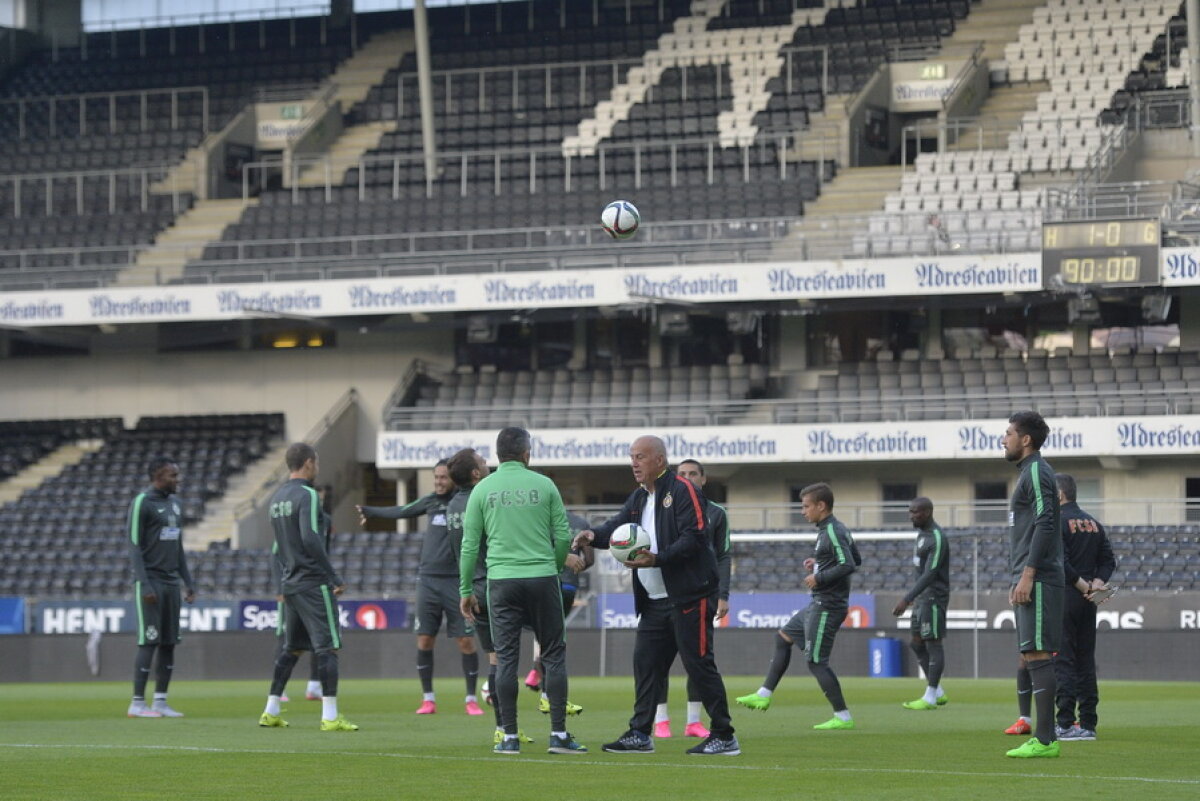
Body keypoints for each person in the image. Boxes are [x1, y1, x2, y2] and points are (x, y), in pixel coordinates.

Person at [580, 435, 739, 757]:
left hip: (689, 597)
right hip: (654, 600)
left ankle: (724, 735)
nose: (633, 463)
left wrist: (658, 558)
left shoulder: (683, 490)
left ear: (659, 460)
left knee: (698, 665)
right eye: (631, 456)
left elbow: (695, 536)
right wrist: (593, 536)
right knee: (647, 665)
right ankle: (640, 733)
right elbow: (617, 526)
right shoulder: (640, 497)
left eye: (640, 456)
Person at [458, 427, 585, 755]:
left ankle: (510, 737)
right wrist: (555, 569)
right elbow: (562, 536)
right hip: (542, 578)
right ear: (527, 453)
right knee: (554, 654)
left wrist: (465, 589)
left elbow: (470, 546)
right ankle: (558, 735)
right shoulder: (544, 485)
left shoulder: (483, 490)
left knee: (506, 660)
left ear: (498, 455)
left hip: (501, 583)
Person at [358, 461, 481, 716]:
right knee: (425, 638)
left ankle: (471, 698)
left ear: (454, 479)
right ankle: (428, 699)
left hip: (455, 581)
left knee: (466, 641)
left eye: (443, 477)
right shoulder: (430, 503)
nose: (438, 481)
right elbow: (402, 510)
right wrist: (372, 511)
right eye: (435, 477)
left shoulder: (465, 502)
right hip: (427, 580)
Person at [736, 482, 861, 731]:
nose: (802, 511)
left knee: (816, 662)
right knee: (783, 637)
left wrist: (819, 577)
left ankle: (843, 716)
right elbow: (854, 557)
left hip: (827, 605)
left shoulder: (833, 531)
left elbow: (849, 564)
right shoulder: (832, 530)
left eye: (805, 506)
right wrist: (819, 563)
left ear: (821, 506)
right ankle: (764, 693)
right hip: (818, 603)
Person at [259, 443, 357, 732]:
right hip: (312, 582)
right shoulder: (308, 495)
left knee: (291, 649)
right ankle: (329, 716)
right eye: (316, 462)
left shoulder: (277, 499)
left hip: (290, 583)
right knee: (327, 648)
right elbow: (311, 538)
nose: (318, 467)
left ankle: (271, 709)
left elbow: (279, 546)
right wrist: (334, 577)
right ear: (308, 463)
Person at [653, 458, 732, 740]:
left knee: (697, 658)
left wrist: (722, 595)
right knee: (658, 659)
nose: (686, 478)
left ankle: (693, 721)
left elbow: (723, 556)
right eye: (681, 473)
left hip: (701, 594)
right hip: (665, 593)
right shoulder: (665, 509)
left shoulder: (717, 514)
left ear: (703, 479)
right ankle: (660, 720)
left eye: (692, 474)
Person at [1000, 410, 1064, 758]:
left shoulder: (1038, 470)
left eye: (1009, 433)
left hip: (1037, 577)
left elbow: (1046, 522)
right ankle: (1043, 737)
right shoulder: (1028, 473)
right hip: (1029, 575)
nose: (1004, 439)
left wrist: (1029, 573)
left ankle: (1045, 739)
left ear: (1025, 439)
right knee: (1029, 654)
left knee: (1038, 654)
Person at [126, 456, 195, 718]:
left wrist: (188, 582)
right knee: (149, 641)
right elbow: (134, 546)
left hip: (170, 583)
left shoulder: (176, 505)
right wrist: (144, 584)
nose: (178, 480)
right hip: (151, 582)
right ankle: (136, 703)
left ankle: (161, 701)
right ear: (157, 476)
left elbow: (177, 548)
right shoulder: (142, 503)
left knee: (169, 643)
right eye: (172, 476)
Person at [1054, 473, 1116, 742]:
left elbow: (1060, 561)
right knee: (1085, 660)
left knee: (1064, 659)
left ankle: (1065, 723)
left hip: (1068, 595)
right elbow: (1108, 560)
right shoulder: (1094, 523)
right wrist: (1097, 584)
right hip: (1090, 599)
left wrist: (1081, 585)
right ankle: (1088, 723)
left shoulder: (1057, 521)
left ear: (1059, 495)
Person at [892, 496, 950, 710]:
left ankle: (931, 695)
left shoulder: (937, 537)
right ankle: (938, 691)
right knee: (916, 644)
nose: (911, 516)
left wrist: (906, 598)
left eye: (915, 512)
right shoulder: (922, 535)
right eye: (910, 511)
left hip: (934, 597)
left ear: (927, 513)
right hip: (922, 599)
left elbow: (931, 573)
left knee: (933, 644)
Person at [531, 510, 592, 717]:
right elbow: (590, 559)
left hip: (544, 582)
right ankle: (548, 694)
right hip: (568, 587)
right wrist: (575, 567)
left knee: (545, 636)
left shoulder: (542, 519)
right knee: (555, 638)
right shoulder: (580, 522)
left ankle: (543, 688)